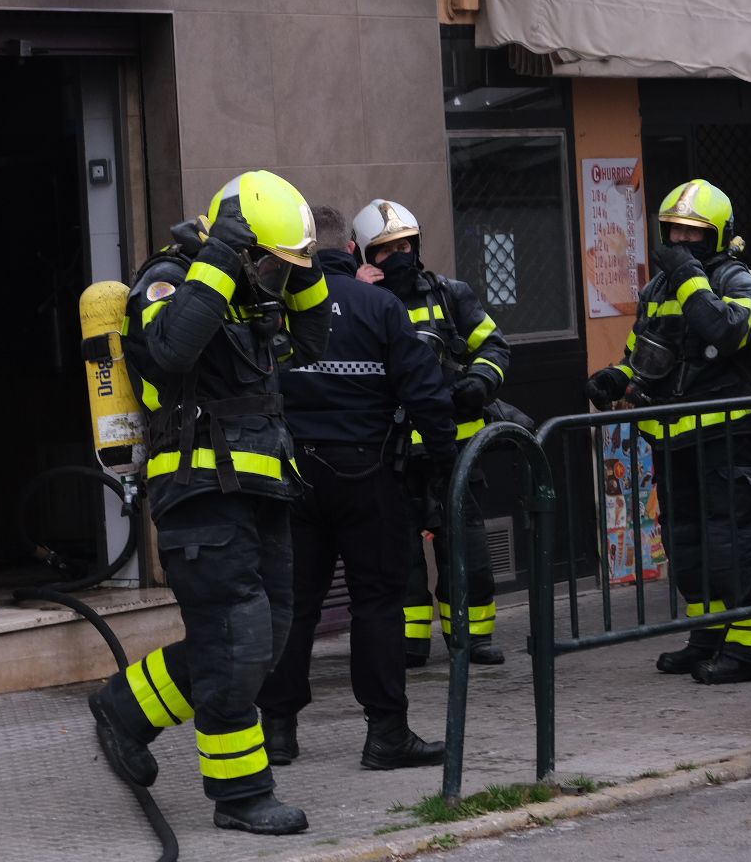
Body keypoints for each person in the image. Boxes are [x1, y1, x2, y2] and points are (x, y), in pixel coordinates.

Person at [86, 170, 331, 836]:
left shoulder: (247, 296)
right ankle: (240, 794)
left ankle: (126, 707)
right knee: (240, 643)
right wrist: (220, 260)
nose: (275, 282)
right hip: (199, 495)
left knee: (263, 638)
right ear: (237, 245)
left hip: (260, 491)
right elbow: (165, 356)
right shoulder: (167, 279)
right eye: (270, 265)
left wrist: (299, 267)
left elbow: (310, 344)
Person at [256, 206, 457, 772]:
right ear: (351, 248)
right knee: (377, 605)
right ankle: (386, 734)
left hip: (292, 477)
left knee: (293, 607)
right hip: (370, 476)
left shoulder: (274, 311)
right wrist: (442, 461)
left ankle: (277, 732)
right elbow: (424, 393)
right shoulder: (381, 305)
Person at [585, 179, 751, 685]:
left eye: (693, 234)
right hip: (671, 441)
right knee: (687, 544)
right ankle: (709, 636)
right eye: (674, 232)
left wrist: (691, 274)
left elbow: (727, 331)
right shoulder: (657, 290)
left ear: (718, 236)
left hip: (726, 439)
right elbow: (644, 357)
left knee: (734, 541)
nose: (680, 243)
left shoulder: (741, 280)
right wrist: (615, 377)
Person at [351, 200, 512, 668]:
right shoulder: (359, 301)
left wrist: (480, 382)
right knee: (400, 557)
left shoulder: (450, 294)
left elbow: (494, 346)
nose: (399, 255)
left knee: (467, 549)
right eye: (385, 250)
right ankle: (410, 644)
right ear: (365, 255)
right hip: (391, 454)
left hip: (454, 448)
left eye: (405, 245)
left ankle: (474, 638)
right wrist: (352, 289)